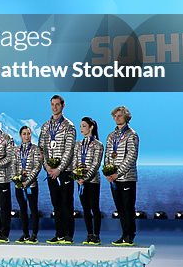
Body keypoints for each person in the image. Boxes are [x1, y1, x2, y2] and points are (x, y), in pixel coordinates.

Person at [39, 94, 77, 244]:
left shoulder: (69, 126)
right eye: (52, 105)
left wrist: (59, 169)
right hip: (50, 171)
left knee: (67, 203)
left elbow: (69, 150)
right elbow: (41, 149)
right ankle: (59, 233)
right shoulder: (45, 126)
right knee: (56, 204)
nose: (55, 107)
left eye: (57, 104)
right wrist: (47, 167)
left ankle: (68, 235)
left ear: (63, 105)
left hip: (65, 172)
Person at [104, 105, 139, 246]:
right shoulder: (111, 136)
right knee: (119, 208)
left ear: (126, 117)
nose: (117, 118)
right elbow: (108, 156)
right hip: (113, 179)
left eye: (120, 115)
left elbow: (131, 157)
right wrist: (107, 171)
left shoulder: (132, 135)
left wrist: (117, 173)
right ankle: (124, 234)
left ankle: (130, 235)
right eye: (115, 116)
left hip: (127, 178)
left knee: (128, 207)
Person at [73, 117, 103, 245]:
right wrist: (77, 176)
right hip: (80, 181)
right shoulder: (78, 144)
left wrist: (84, 178)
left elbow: (96, 164)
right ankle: (89, 234)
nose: (81, 129)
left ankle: (96, 235)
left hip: (92, 181)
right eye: (80, 126)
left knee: (94, 208)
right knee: (85, 208)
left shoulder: (98, 145)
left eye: (84, 126)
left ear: (91, 127)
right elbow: (74, 162)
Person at [14, 126, 43, 243]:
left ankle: (34, 234)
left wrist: (28, 181)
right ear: (20, 135)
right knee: (22, 209)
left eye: (29, 134)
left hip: (31, 185)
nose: (27, 136)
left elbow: (37, 167)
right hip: (19, 185)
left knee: (33, 209)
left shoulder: (36, 149)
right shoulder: (15, 150)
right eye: (24, 134)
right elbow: (13, 167)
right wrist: (17, 180)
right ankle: (25, 233)